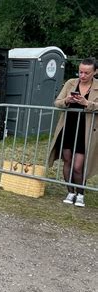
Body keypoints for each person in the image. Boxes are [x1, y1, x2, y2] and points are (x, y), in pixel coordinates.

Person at [48, 58, 98, 207]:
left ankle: (81, 193)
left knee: (78, 165)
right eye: (80, 71)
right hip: (68, 127)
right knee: (67, 161)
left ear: (95, 72)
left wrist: (86, 103)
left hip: (86, 130)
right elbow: (57, 102)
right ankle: (70, 192)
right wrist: (67, 100)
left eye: (86, 73)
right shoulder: (70, 83)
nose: (82, 75)